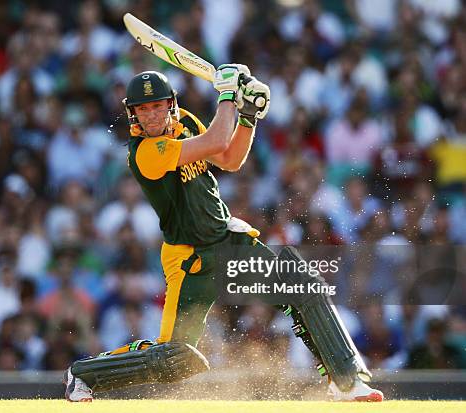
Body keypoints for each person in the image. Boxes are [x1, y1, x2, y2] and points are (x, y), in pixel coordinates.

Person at [63, 65, 384, 402]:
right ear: (133, 114)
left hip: (229, 242)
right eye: (143, 109)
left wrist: (247, 116)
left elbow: (229, 158)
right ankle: (83, 375)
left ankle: (347, 382)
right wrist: (230, 94)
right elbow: (217, 138)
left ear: (171, 104)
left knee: (304, 287)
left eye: (157, 105)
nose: (151, 115)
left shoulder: (185, 122)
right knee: (174, 358)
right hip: (191, 260)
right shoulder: (144, 153)